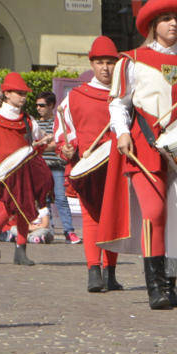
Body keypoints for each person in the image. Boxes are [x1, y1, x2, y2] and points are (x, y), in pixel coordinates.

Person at [100, 0, 177, 310]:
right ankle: (155, 288)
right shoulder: (132, 60)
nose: (173, 24)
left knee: (176, 217)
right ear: (154, 25)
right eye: (166, 18)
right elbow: (119, 102)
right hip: (144, 145)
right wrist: (122, 132)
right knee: (154, 212)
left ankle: (170, 285)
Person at [55, 36, 124, 293]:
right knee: (92, 218)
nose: (105, 68)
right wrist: (66, 148)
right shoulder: (75, 97)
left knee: (115, 220)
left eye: (110, 63)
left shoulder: (124, 96)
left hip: (118, 167)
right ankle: (93, 271)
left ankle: (111, 272)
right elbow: (63, 131)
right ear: (92, 64)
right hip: (88, 167)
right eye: (100, 63)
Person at [0, 72, 53, 265]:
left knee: (24, 207)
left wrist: (48, 141)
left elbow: (38, 143)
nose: (23, 97)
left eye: (24, 93)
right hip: (3, 171)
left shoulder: (28, 120)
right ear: (7, 94)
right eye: (19, 93)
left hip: (25, 170)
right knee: (13, 206)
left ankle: (20, 250)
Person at [36, 91, 79, 244]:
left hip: (57, 167)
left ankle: (69, 231)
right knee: (43, 200)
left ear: (51, 106)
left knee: (61, 198)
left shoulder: (57, 123)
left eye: (42, 105)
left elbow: (58, 143)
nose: (38, 108)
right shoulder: (35, 124)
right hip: (41, 168)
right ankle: (48, 230)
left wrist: (43, 146)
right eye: (37, 105)